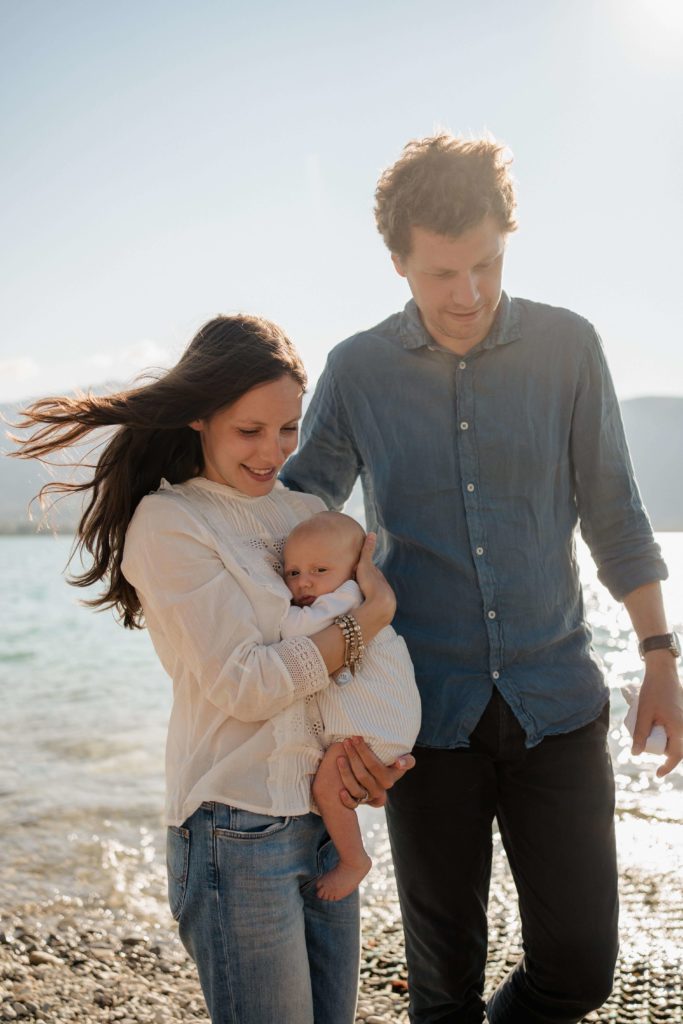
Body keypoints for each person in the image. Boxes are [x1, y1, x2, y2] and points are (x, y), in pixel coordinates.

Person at [281, 133, 683, 1024]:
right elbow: (294, 524)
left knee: (578, 972)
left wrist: (659, 656)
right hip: (423, 718)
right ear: (397, 263)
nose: (466, 295)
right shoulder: (357, 370)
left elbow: (614, 512)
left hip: (557, 703)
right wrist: (323, 708)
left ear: (507, 237)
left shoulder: (568, 347)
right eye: (439, 275)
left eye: (485, 266)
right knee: (442, 987)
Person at [10, 314, 414, 1024]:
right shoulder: (172, 522)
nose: (273, 452)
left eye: (287, 428)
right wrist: (364, 622)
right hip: (234, 830)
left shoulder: (307, 510)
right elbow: (247, 686)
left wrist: (366, 758)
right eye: (249, 430)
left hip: (324, 818)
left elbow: (351, 669)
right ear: (200, 417)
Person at [279, 510, 421, 900]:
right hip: (383, 723)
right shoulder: (340, 597)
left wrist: (274, 603)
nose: (304, 581)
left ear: (355, 570)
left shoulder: (345, 599)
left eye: (319, 569)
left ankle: (354, 860)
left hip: (374, 727)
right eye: (292, 573)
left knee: (328, 787)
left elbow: (292, 632)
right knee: (332, 787)